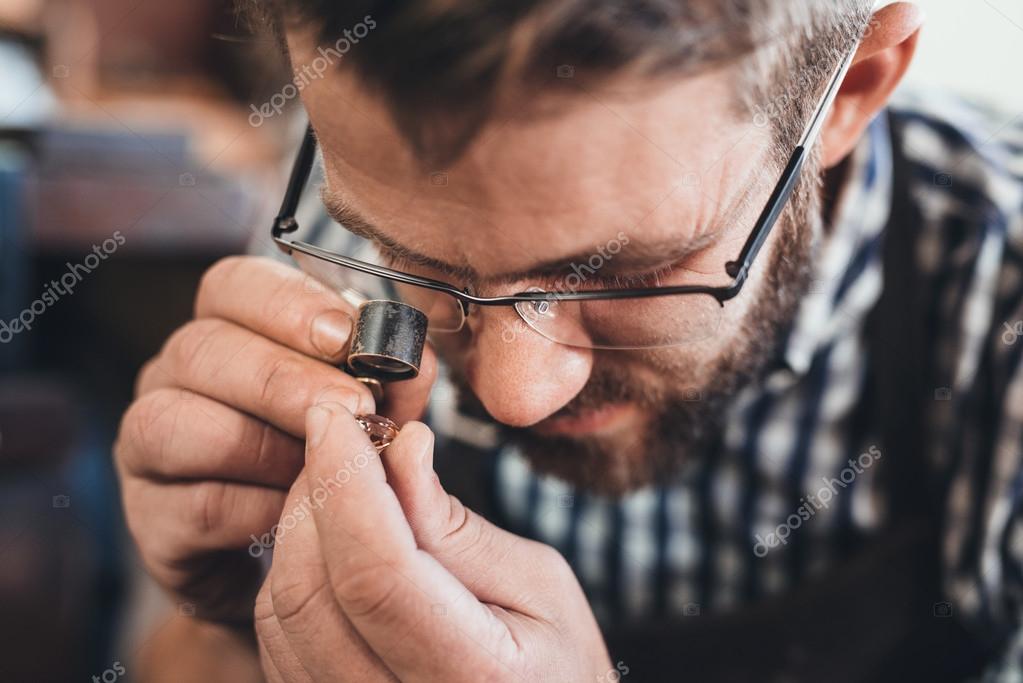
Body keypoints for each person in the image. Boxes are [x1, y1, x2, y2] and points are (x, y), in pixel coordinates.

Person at [114, 1, 1023, 680]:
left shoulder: (997, 309)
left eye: (628, 272)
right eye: (414, 257)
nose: (516, 392)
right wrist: (228, 629)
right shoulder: (329, 231)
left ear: (849, 89)